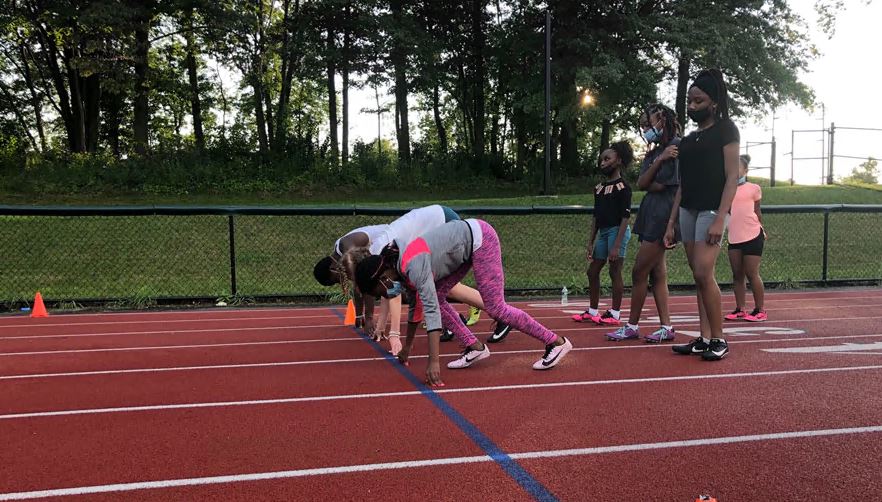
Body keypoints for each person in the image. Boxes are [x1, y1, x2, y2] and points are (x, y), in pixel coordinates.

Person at [351, 219, 573, 386]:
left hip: (480, 239)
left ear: (382, 278)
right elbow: (416, 308)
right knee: (437, 298)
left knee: (495, 307)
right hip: (460, 248)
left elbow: (430, 313)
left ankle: (555, 342)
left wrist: (433, 362)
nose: (384, 296)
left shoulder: (412, 266)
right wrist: (407, 348)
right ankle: (474, 346)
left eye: (379, 291)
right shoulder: (395, 265)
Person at [313, 205, 510, 353]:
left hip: (442, 221)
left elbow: (392, 293)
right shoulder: (373, 258)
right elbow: (385, 290)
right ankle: (461, 320)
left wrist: (394, 334)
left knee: (440, 287)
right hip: (427, 225)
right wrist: (375, 322)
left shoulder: (376, 253)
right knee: (431, 287)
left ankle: (500, 314)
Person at [664, 69, 740, 361]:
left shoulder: (726, 129)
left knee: (702, 271)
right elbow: (682, 185)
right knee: (698, 277)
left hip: (712, 209)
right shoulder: (688, 140)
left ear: (714, 102)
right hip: (687, 211)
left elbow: (732, 176)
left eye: (698, 101)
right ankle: (704, 337)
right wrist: (671, 222)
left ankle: (719, 339)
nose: (693, 106)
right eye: (690, 101)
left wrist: (721, 217)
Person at [607, 105, 680, 342]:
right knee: (657, 274)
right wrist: (658, 162)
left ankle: (632, 325)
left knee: (639, 271)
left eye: (649, 124)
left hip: (662, 215)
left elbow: (669, 185)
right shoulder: (656, 152)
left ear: (663, 120)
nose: (645, 129)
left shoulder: (678, 147)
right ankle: (666, 327)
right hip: (651, 213)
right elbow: (643, 183)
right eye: (643, 126)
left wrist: (654, 179)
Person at [572, 141, 633, 327]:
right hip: (604, 232)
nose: (603, 163)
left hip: (617, 231)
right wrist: (591, 241)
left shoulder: (624, 187)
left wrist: (616, 245)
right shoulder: (599, 188)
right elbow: (596, 216)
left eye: (607, 159)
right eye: (601, 160)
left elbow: (625, 217)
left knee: (615, 271)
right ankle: (592, 311)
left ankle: (614, 313)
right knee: (593, 271)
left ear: (618, 161)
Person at [725, 154, 767, 322]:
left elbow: (757, 211)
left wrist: (762, 228)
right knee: (737, 275)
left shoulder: (754, 188)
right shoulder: (725, 188)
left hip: (753, 235)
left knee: (752, 273)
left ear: (745, 170)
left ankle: (760, 310)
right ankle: (740, 309)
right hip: (734, 237)